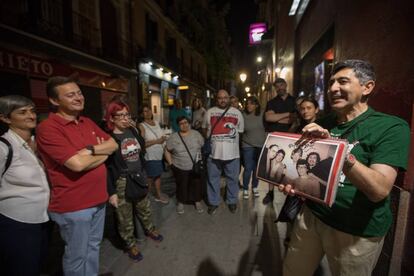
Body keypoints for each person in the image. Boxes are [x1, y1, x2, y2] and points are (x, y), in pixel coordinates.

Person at [279, 60, 410, 276]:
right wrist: (295, 183)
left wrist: (337, 152)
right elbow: (308, 168)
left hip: (356, 232)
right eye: (331, 83)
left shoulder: (391, 127)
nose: (332, 89)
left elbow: (378, 191)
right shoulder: (325, 121)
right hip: (312, 216)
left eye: (343, 81)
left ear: (367, 87)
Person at [36, 76, 118, 276]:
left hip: (99, 200)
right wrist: (103, 152)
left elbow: (113, 144)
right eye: (70, 95)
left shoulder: (87, 121)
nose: (78, 97)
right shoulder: (48, 128)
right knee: (77, 256)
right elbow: (77, 165)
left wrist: (90, 149)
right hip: (75, 207)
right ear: (55, 101)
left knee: (93, 248)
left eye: (79, 93)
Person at [105, 100, 163, 262]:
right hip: (122, 181)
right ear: (111, 118)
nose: (125, 118)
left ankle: (150, 229)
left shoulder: (132, 131)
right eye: (120, 115)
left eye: (127, 114)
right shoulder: (109, 138)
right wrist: (111, 192)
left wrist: (136, 129)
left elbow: (142, 147)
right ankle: (130, 244)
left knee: (144, 207)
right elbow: (107, 168)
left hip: (139, 176)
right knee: (124, 216)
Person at [0, 95, 50, 276]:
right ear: (5, 118)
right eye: (22, 112)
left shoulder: (36, 142)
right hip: (16, 222)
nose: (31, 116)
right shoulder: (3, 147)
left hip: (42, 219)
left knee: (39, 265)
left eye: (32, 111)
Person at [202, 89, 244, 215]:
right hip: (213, 154)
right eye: (220, 98)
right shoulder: (209, 112)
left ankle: (232, 201)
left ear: (228, 98)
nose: (223, 100)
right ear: (217, 99)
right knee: (212, 179)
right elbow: (204, 129)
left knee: (232, 179)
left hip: (233, 154)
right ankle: (213, 202)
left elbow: (240, 132)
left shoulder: (237, 113)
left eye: (225, 97)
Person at [263, 78, 296, 204]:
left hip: (291, 136)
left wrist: (277, 117)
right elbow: (269, 118)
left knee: (290, 165)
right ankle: (270, 193)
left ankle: (291, 193)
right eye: (277, 86)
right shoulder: (271, 102)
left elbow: (293, 119)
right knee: (272, 165)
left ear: (286, 85)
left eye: (281, 85)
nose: (279, 87)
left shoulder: (294, 101)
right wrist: (287, 114)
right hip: (275, 136)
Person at [165, 116, 204, 214]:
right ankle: (181, 202)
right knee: (181, 185)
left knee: (196, 184)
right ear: (178, 125)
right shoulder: (173, 137)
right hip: (180, 166)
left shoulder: (196, 134)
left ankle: (197, 201)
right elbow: (167, 150)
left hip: (195, 166)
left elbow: (202, 145)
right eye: (181, 123)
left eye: (186, 122)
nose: (184, 125)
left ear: (189, 123)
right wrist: (171, 164)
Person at [138, 104, 169, 204]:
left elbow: (161, 137)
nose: (148, 113)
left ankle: (156, 195)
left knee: (157, 176)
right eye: (145, 111)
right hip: (150, 157)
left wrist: (163, 139)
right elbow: (141, 144)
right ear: (142, 114)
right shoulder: (142, 126)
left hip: (159, 155)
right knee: (150, 178)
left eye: (149, 110)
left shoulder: (156, 123)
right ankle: (145, 197)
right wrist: (157, 141)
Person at [241, 96, 266, 199]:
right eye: (247, 103)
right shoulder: (243, 114)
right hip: (247, 144)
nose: (248, 105)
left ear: (256, 105)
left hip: (260, 144)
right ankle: (245, 188)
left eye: (251, 103)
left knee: (256, 169)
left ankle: (255, 187)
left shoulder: (262, 114)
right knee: (248, 168)